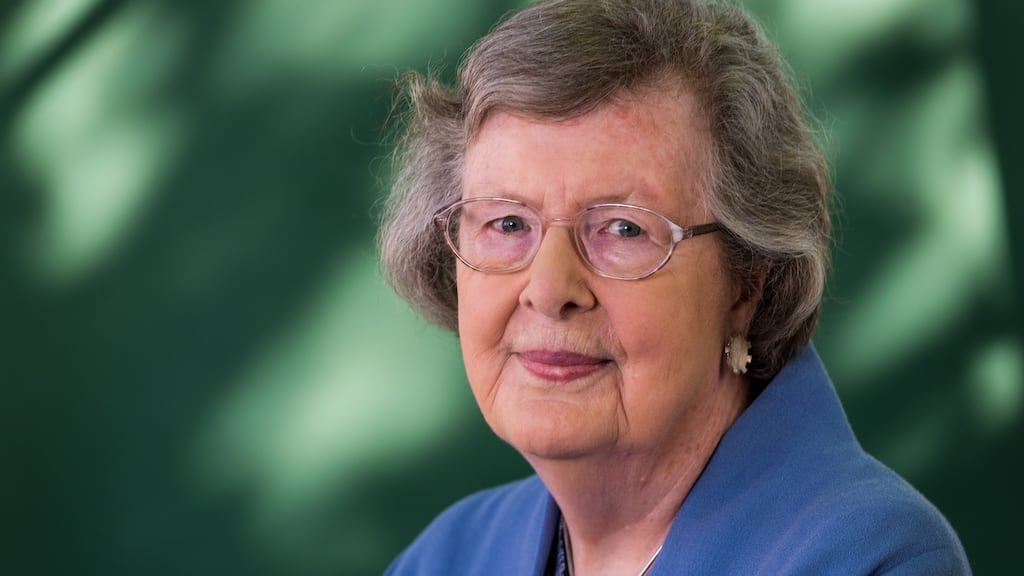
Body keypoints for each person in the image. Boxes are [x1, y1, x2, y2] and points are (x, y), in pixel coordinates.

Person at [378, 0, 971, 573]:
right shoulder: (445, 557)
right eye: (507, 223)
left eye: (623, 228)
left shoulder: (874, 558)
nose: (549, 288)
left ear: (746, 283)